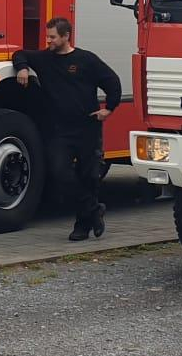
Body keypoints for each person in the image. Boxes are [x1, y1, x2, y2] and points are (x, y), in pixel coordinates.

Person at [11, 17, 123, 241]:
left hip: (87, 128)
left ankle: (82, 225)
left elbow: (113, 82)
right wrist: (22, 68)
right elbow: (19, 54)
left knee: (89, 176)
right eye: (47, 36)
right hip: (59, 131)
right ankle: (94, 209)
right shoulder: (44, 59)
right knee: (59, 172)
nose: (48, 41)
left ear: (66, 36)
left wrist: (109, 109)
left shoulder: (86, 60)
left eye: (53, 37)